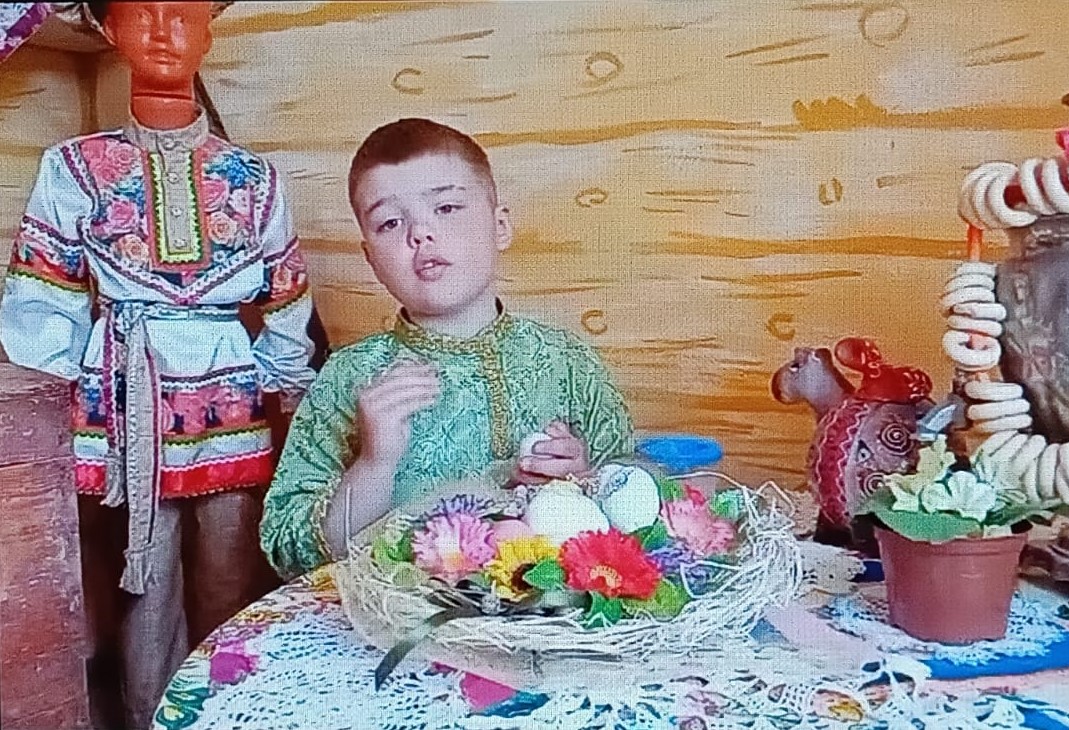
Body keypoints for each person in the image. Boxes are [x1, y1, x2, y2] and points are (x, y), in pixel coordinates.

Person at [0, 3, 317, 726]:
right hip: (125, 396)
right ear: (110, 31)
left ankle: (232, 710)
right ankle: (152, 714)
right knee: (143, 574)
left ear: (209, 29)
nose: (164, 32)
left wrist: (284, 379)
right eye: (142, 13)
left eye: (184, 13)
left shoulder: (254, 177)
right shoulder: (74, 168)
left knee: (231, 572)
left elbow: (287, 294)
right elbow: (42, 291)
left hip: (229, 401)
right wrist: (69, 393)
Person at [261, 119, 634, 579]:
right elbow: (290, 553)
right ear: (371, 259)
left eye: (447, 207)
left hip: (548, 615)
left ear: (500, 226)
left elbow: (637, 517)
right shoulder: (349, 378)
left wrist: (584, 480)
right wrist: (375, 463)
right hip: (398, 618)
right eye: (390, 222)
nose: (420, 233)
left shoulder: (567, 363)